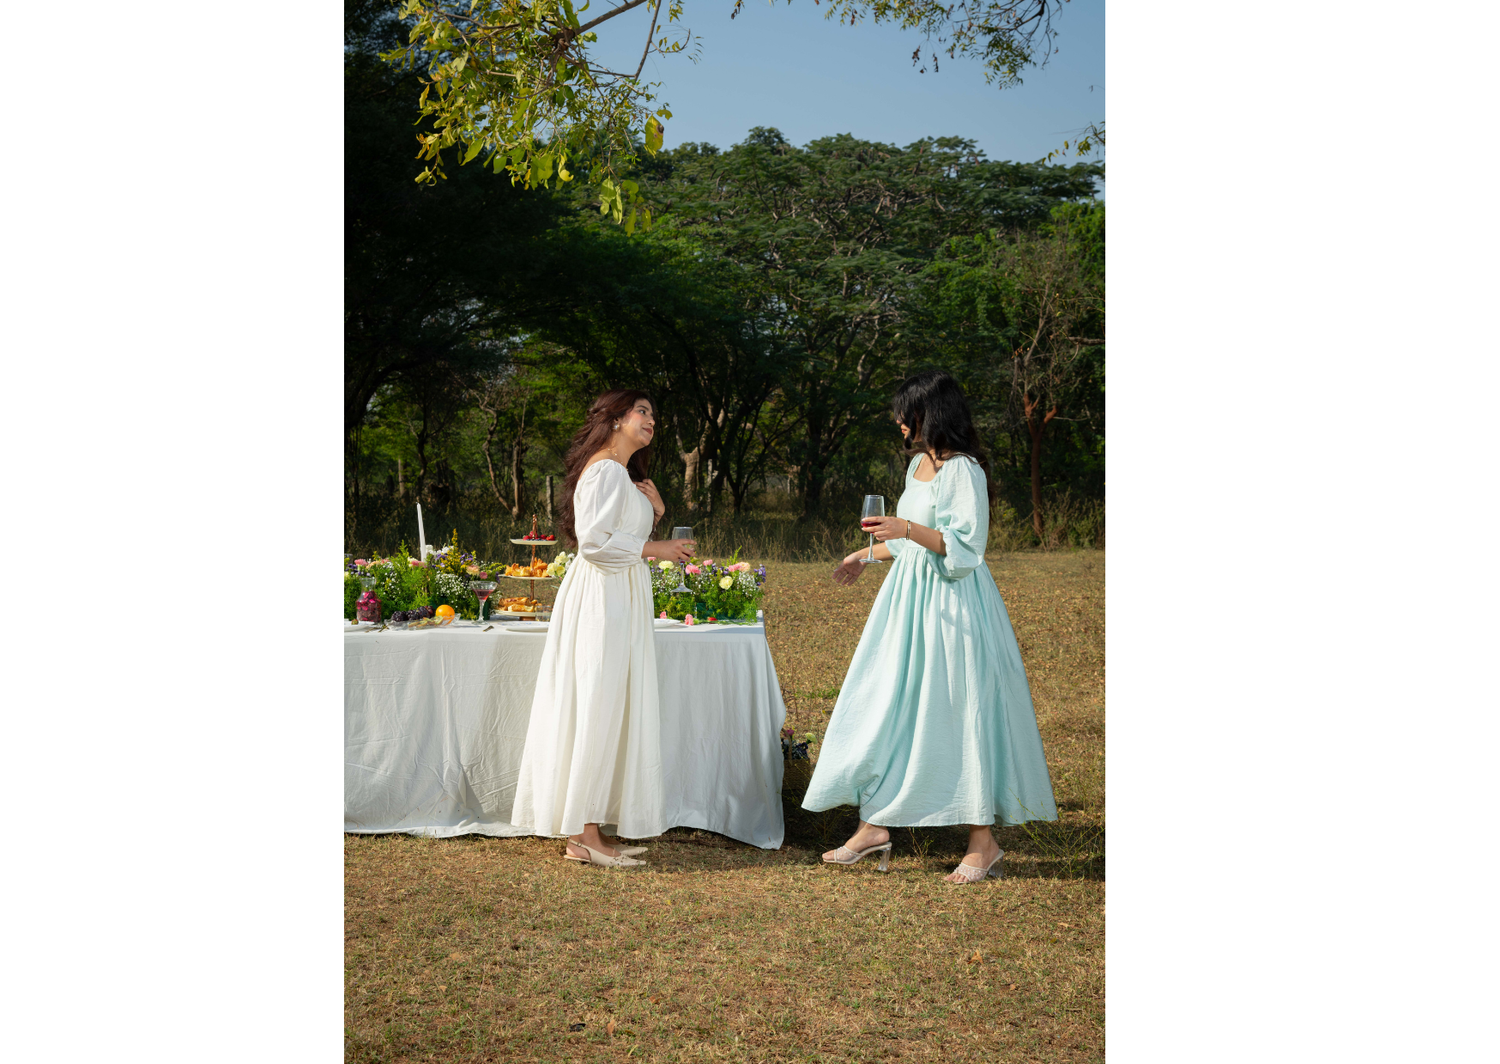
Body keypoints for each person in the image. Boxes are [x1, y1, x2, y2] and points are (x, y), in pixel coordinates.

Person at [802, 370, 1058, 884]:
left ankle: (983, 844)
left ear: (932, 412)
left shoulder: (964, 470)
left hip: (953, 605)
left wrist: (906, 528)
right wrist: (864, 554)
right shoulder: (918, 464)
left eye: (908, 413)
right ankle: (874, 825)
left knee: (958, 707)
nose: (901, 422)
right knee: (891, 702)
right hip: (910, 603)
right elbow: (908, 543)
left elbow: (965, 548)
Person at [509, 390, 695, 868]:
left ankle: (589, 831)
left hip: (619, 595)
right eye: (641, 411)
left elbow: (619, 535)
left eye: (654, 414)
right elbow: (593, 544)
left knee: (609, 704)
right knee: (596, 702)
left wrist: (656, 513)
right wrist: (655, 549)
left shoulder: (623, 476)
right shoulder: (606, 470)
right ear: (615, 419)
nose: (651, 419)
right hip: (601, 599)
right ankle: (583, 835)